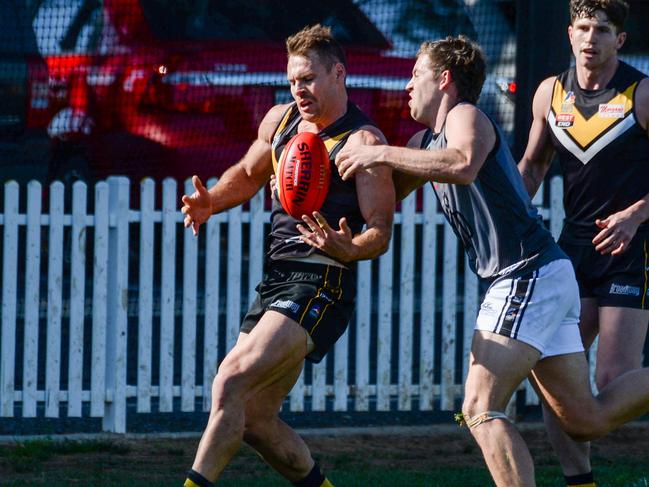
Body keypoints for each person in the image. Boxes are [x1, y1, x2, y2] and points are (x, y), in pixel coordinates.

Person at [334, 34, 649, 487]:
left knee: (480, 407)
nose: (406, 86)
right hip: (544, 275)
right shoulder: (425, 141)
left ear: (444, 80)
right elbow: (380, 198)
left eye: (415, 74)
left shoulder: (466, 116)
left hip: (525, 273)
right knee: (584, 419)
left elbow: (461, 163)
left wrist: (378, 151)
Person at [180, 24, 394, 487]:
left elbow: (380, 231)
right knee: (255, 418)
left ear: (339, 74)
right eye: (293, 80)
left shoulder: (363, 142)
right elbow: (248, 173)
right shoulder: (280, 121)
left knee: (230, 381)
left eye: (309, 79)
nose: (299, 89)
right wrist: (210, 202)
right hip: (277, 279)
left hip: (321, 282)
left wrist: (348, 247)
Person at [518, 1, 649, 485]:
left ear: (620, 39)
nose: (590, 38)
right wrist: (501, 218)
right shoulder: (550, 93)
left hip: (632, 249)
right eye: (583, 27)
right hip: (571, 250)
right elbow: (531, 168)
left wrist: (635, 216)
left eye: (602, 29)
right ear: (569, 33)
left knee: (612, 381)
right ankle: (581, 482)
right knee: (558, 381)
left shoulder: (641, 93)